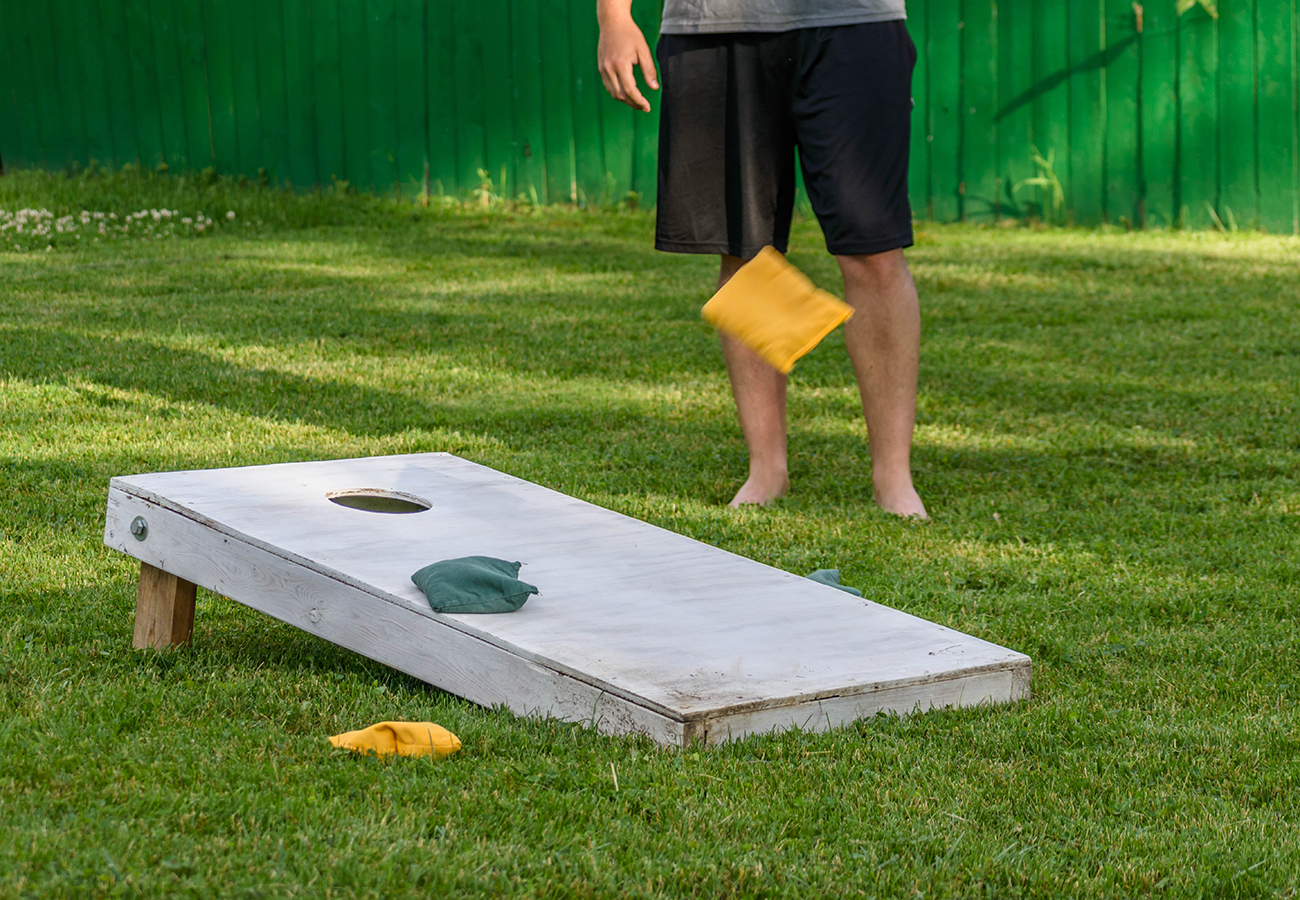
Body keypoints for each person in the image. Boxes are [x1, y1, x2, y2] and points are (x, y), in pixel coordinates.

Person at [596, 0, 927, 518]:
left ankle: (893, 477)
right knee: (745, 250)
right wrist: (613, 17)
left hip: (853, 20)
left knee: (873, 252)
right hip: (714, 24)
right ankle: (767, 469)